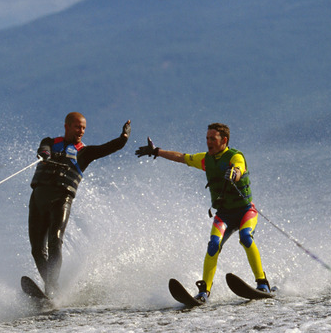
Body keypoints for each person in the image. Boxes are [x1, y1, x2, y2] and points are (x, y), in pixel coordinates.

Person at [135, 122, 270, 303]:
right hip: (224, 214)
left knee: (246, 237)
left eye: (212, 139)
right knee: (213, 245)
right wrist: (157, 151)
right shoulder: (206, 160)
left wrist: (233, 174)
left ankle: (262, 283)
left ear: (224, 140)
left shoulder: (235, 156)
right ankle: (204, 291)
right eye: (207, 138)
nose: (208, 142)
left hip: (246, 211)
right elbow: (182, 157)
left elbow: (239, 169)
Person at [28, 112, 131, 297]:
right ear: (66, 126)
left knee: (55, 241)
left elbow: (107, 148)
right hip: (38, 200)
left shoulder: (85, 153)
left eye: (83, 128)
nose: (81, 131)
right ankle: (52, 287)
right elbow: (43, 148)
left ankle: (51, 287)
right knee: (36, 250)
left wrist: (122, 139)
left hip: (61, 200)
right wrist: (44, 153)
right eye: (77, 127)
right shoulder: (50, 143)